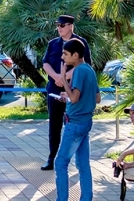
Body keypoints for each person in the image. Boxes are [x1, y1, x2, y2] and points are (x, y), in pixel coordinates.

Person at [41, 14, 92, 170]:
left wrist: (65, 78)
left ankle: (77, 161)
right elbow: (45, 63)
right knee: (54, 125)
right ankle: (52, 158)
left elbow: (85, 65)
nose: (59, 28)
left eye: (62, 25)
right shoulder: (53, 44)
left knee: (73, 125)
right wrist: (56, 77)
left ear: (70, 26)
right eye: (57, 25)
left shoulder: (80, 43)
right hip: (55, 89)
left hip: (74, 90)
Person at [54, 38, 100, 201]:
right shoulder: (89, 70)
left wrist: (64, 80)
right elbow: (97, 98)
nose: (63, 57)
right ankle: (86, 198)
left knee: (60, 163)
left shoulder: (79, 71)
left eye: (65, 54)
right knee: (82, 165)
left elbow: (74, 99)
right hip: (85, 122)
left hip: (75, 123)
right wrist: (69, 95)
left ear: (75, 55)